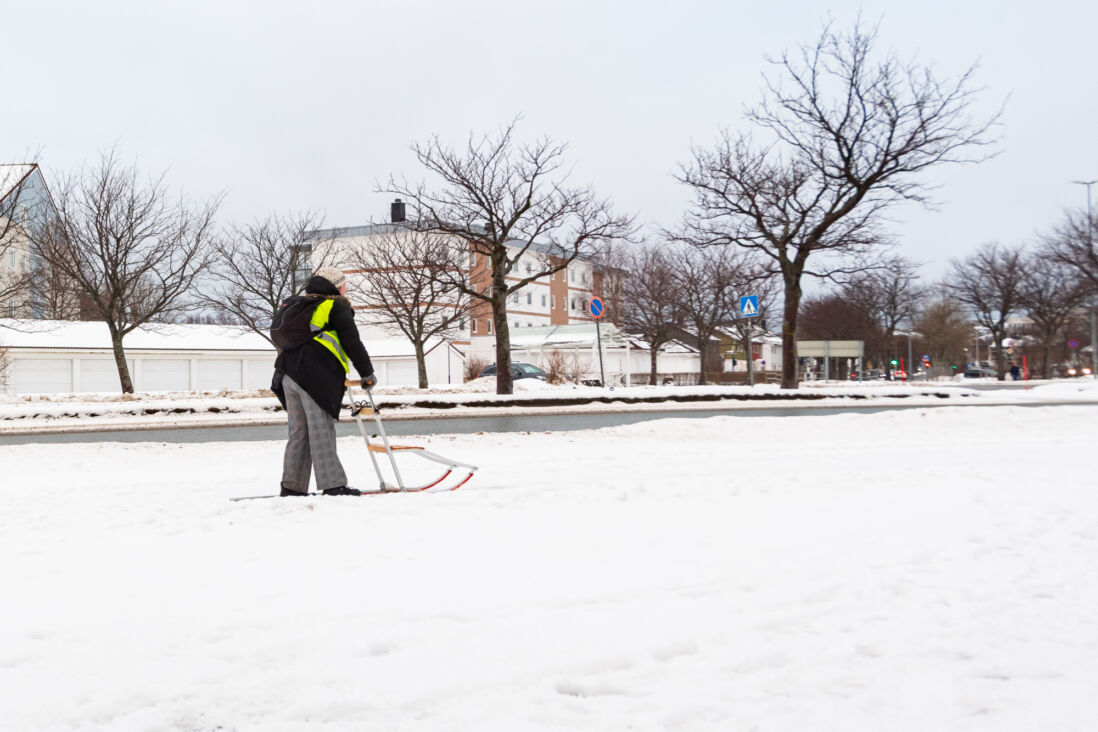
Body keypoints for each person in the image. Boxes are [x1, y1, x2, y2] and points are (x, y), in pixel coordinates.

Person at [271, 267, 377, 497]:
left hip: (287, 375)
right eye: (343, 284)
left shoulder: (297, 307)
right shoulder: (336, 306)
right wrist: (367, 373)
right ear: (335, 287)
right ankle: (334, 485)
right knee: (321, 431)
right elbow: (353, 343)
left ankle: (291, 487)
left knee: (298, 432)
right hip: (315, 377)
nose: (345, 288)